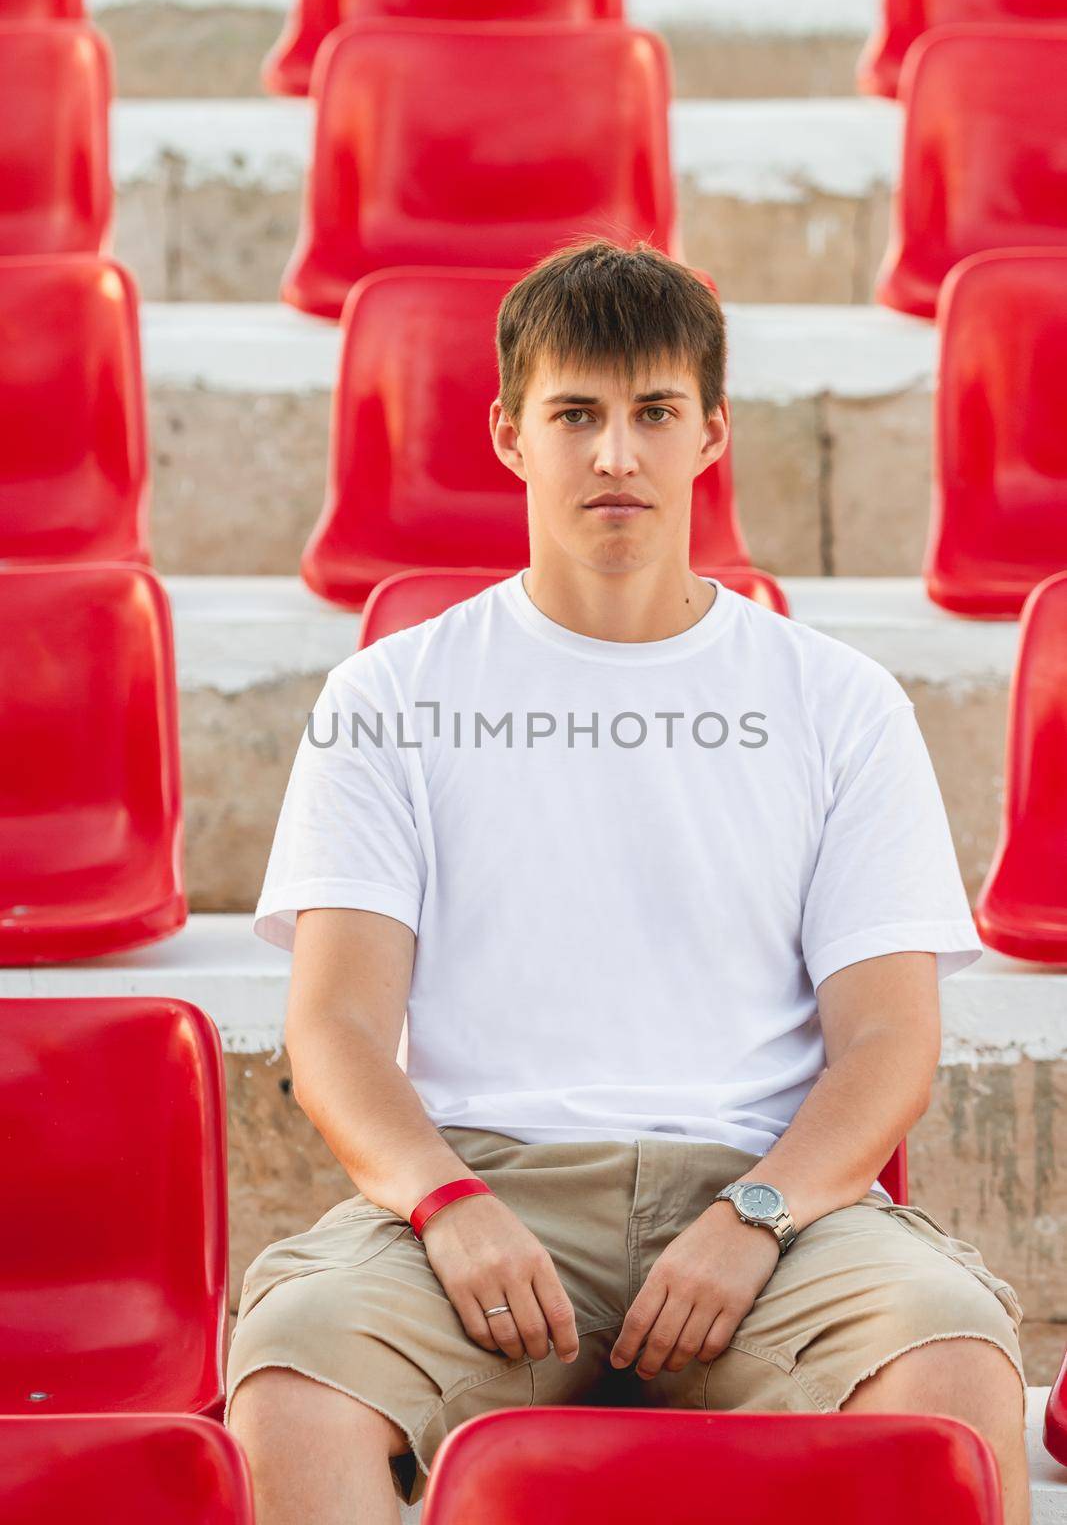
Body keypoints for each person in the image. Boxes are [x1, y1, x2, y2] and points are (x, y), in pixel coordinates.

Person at [224, 239, 1028, 1525]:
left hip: (766, 1193)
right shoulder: (390, 695)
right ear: (509, 436)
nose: (615, 455)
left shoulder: (836, 701)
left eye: (653, 413)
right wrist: (445, 1202)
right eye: (576, 415)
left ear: (710, 434)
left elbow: (885, 1038)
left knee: (953, 1359)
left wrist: (756, 1211)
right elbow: (335, 1027)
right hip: (484, 1182)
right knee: (294, 1374)